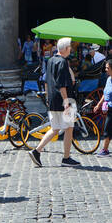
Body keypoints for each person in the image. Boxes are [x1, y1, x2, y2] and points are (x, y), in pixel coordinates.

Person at [30, 37, 79, 167]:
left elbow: (47, 81)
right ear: (65, 49)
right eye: (70, 47)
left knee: (55, 128)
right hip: (64, 99)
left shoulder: (50, 60)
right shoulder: (63, 62)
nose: (71, 49)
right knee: (69, 128)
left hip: (52, 99)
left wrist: (47, 96)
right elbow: (62, 84)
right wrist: (66, 102)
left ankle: (37, 151)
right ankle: (66, 157)